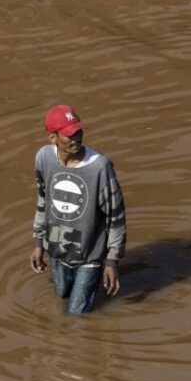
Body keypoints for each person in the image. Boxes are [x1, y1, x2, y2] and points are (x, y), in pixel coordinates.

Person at [30, 104, 126, 314]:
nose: (77, 138)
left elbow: (116, 216)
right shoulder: (44, 158)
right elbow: (43, 201)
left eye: (78, 131)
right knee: (62, 293)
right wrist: (38, 243)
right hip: (57, 249)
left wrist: (112, 261)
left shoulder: (100, 167)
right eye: (69, 134)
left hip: (90, 255)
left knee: (75, 315)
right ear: (53, 138)